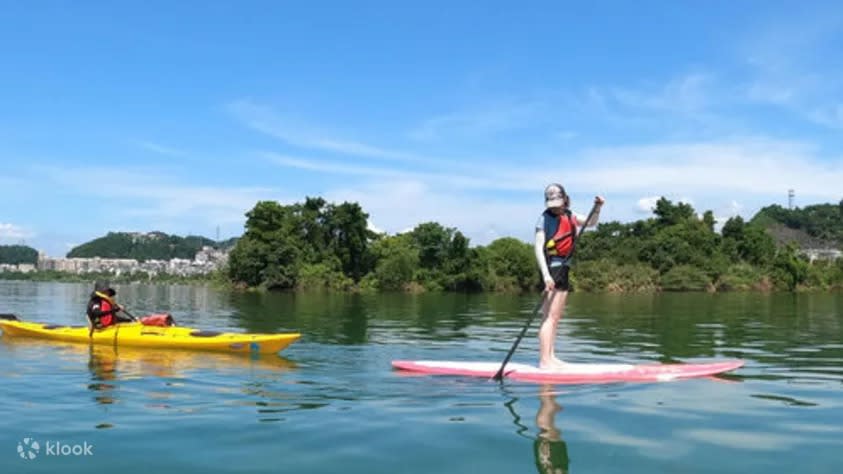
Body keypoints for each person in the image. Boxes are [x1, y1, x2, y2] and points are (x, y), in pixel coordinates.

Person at [534, 183, 604, 369]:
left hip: (562, 269)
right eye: (552, 203)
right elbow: (538, 249)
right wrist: (546, 276)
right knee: (550, 317)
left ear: (565, 199)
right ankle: (544, 360)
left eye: (558, 202)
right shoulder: (544, 219)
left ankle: (550, 356)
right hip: (552, 269)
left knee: (552, 317)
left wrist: (597, 208)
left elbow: (591, 223)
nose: (555, 206)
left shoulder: (570, 216)